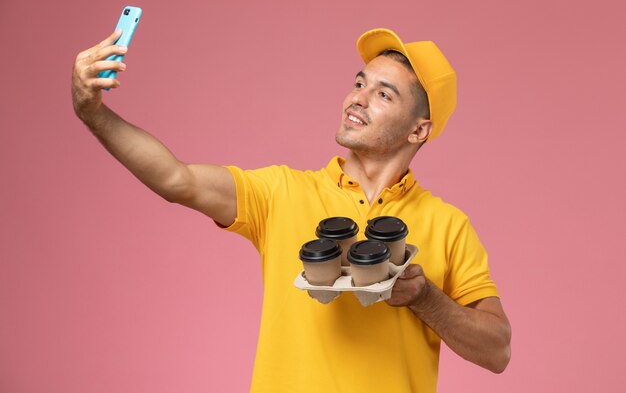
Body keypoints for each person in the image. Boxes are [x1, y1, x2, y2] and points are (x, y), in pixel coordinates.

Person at [72, 27, 511, 393]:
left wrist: (427, 299)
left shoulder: (449, 225)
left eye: (383, 94)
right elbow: (174, 178)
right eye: (359, 83)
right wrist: (92, 113)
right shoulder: (281, 192)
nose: (357, 98)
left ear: (420, 129)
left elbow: (497, 351)